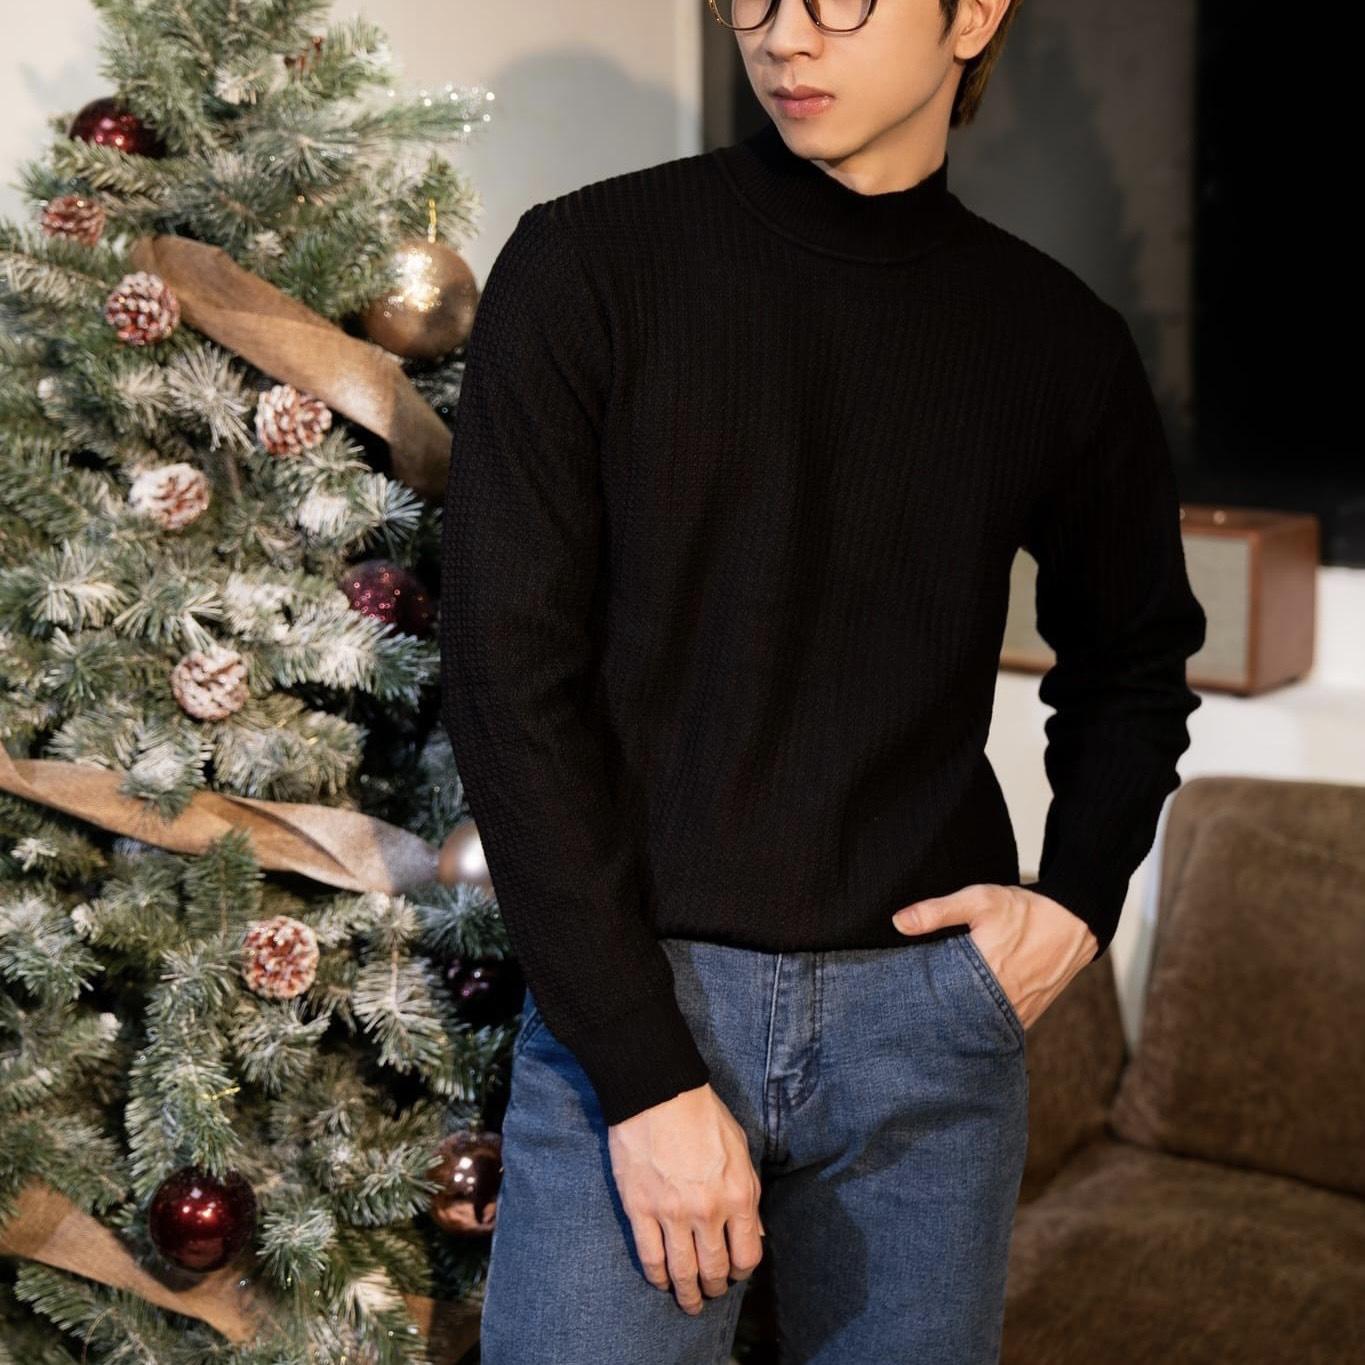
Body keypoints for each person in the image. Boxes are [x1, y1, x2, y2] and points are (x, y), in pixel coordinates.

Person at [439, 0, 1206, 1359]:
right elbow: (507, 683)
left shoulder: (1053, 337)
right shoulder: (586, 263)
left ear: (974, 15)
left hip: (925, 1028)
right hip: (638, 1003)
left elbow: (1134, 660)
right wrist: (644, 1073)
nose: (783, 35)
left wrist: (1077, 904)